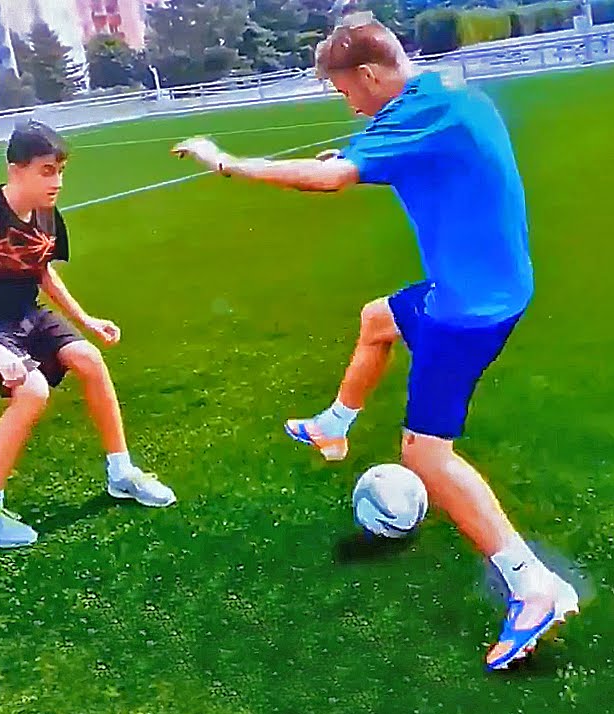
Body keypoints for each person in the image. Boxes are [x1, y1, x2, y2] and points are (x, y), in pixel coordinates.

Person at [171, 12, 579, 670]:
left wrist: (229, 164)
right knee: (377, 319)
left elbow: (333, 181)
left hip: (469, 308)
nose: (349, 105)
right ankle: (333, 427)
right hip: (484, 283)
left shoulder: (420, 114)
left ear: (367, 73)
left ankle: (533, 586)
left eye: (345, 92)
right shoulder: (440, 95)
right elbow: (412, 157)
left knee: (426, 456)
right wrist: (348, 157)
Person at [0, 119, 176, 549]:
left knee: (89, 360)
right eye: (47, 171)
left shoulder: (48, 215)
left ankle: (121, 473)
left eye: (61, 171)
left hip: (22, 311)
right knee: (32, 391)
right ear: (16, 170)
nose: (57, 182)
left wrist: (86, 320)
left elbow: (41, 269)